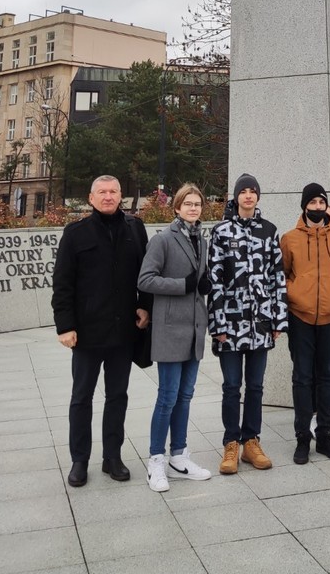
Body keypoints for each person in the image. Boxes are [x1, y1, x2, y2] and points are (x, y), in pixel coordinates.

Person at [52, 175, 150, 487]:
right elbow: (62, 283)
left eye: (113, 192)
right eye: (102, 192)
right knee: (81, 397)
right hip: (87, 333)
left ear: (121, 196)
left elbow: (146, 274)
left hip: (123, 333)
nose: (108, 197)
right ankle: (79, 460)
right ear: (91, 198)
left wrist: (144, 306)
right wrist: (65, 326)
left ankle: (112, 457)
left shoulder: (135, 229)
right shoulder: (76, 233)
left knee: (117, 396)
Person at [208, 173, 287, 474]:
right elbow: (214, 280)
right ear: (236, 196)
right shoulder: (221, 232)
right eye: (244, 191)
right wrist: (218, 324)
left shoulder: (269, 231)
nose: (249, 195)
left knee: (255, 386)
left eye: (253, 191)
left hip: (261, 324)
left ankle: (251, 441)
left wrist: (278, 318)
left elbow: (277, 278)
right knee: (232, 386)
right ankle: (231, 443)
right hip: (230, 324)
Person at [138, 183, 212, 492]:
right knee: (167, 397)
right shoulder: (163, 240)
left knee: (185, 396)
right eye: (188, 204)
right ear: (177, 207)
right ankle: (156, 459)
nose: (193, 208)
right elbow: (145, 280)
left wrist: (204, 284)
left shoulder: (202, 241)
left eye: (197, 204)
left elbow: (199, 280)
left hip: (194, 329)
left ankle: (179, 455)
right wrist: (183, 284)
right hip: (169, 330)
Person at [281, 182, 330, 465]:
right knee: (302, 378)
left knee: (328, 376)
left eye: (321, 202)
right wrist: (295, 294)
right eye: (312, 202)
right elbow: (281, 274)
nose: (317, 207)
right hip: (300, 318)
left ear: (326, 206)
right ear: (304, 206)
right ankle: (303, 437)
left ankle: (324, 435)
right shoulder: (289, 239)